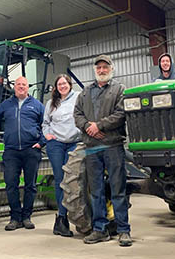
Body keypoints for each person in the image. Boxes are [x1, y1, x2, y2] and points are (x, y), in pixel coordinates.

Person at [73, 54, 132, 247]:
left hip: (112, 145)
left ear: (111, 69)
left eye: (105, 67)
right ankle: (100, 229)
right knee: (96, 191)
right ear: (95, 70)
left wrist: (99, 126)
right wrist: (88, 127)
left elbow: (121, 113)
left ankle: (123, 230)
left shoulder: (119, 89)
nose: (101, 70)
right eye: (98, 67)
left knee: (117, 189)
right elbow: (77, 114)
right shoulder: (85, 92)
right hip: (91, 147)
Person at [0, 76, 45, 231]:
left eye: (24, 85)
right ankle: (15, 217)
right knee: (11, 184)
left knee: (30, 185)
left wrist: (41, 142)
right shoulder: (5, 105)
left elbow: (47, 125)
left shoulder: (37, 106)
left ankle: (26, 217)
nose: (21, 87)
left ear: (28, 87)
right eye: (18, 84)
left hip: (31, 150)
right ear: (14, 87)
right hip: (11, 151)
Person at [42, 74, 80, 237]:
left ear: (69, 84)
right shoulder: (51, 103)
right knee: (60, 180)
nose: (62, 86)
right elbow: (45, 123)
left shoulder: (78, 97)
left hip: (74, 143)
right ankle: (61, 220)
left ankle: (78, 216)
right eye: (59, 84)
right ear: (56, 87)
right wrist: (48, 135)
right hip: (56, 144)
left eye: (64, 83)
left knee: (71, 180)